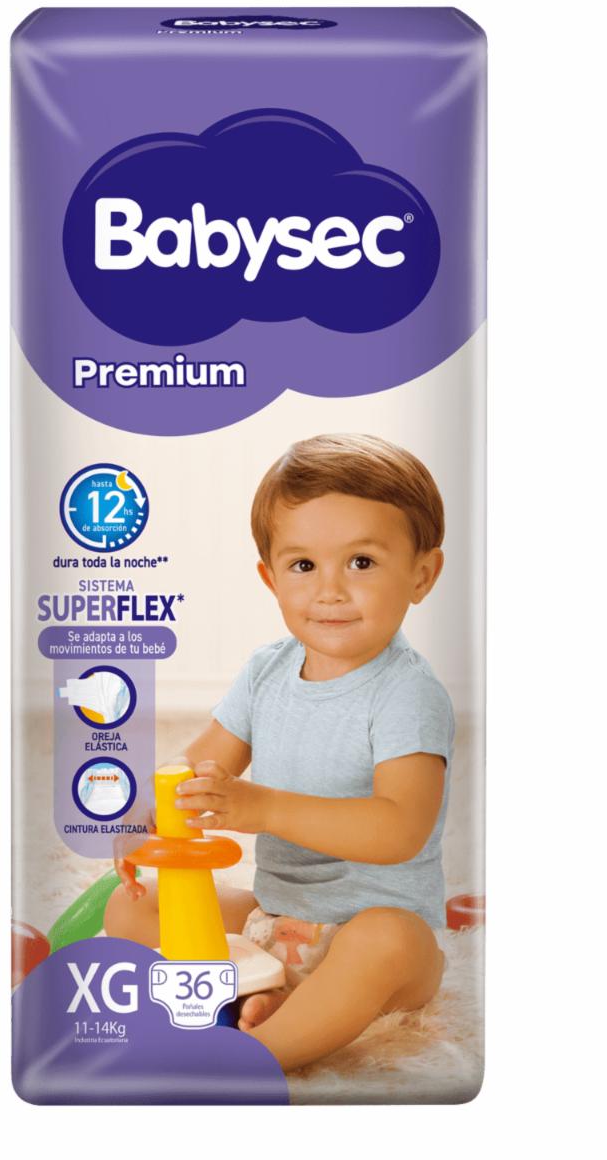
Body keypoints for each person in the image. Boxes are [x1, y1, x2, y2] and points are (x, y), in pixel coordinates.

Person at [105, 434, 454, 1071]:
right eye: (303, 566)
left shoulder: (407, 693)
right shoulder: (267, 671)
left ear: (421, 575)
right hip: (275, 919)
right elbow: (198, 768)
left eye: (362, 562)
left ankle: (252, 1058)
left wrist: (262, 808)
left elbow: (401, 829)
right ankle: (266, 989)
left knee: (387, 940)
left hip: (376, 932)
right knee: (134, 906)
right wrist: (148, 819)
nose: (330, 590)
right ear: (270, 578)